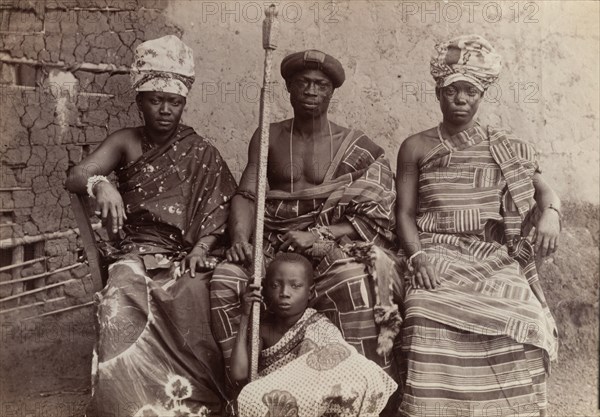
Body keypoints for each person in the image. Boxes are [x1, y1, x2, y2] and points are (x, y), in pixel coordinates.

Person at [210, 50, 402, 394]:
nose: (311, 91)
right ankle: (241, 392)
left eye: (320, 85)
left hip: (330, 246)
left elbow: (379, 206)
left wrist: (319, 234)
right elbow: (247, 194)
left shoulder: (356, 145)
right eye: (303, 83)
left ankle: (364, 394)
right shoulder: (269, 135)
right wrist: (241, 239)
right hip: (275, 243)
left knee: (353, 281)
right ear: (288, 88)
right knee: (226, 279)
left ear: (332, 91)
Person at [65, 35, 237, 416]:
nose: (164, 110)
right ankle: (126, 402)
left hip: (186, 252)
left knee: (197, 291)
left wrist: (202, 247)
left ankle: (193, 403)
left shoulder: (201, 151)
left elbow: (222, 205)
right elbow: (77, 175)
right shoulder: (126, 141)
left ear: (184, 104)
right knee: (119, 296)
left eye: (173, 102)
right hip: (136, 250)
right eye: (155, 100)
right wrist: (102, 182)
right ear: (140, 101)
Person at [395, 34, 560, 416]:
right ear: (439, 93)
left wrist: (551, 213)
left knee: (525, 318)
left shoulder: (505, 146)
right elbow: (403, 214)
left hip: (490, 256)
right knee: (422, 309)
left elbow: (547, 193)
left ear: (482, 96)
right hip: (435, 251)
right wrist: (418, 257)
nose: (462, 99)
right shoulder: (415, 146)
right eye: (453, 90)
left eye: (471, 91)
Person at [231, 253, 397, 417]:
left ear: (310, 293)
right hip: (275, 401)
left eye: (295, 286)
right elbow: (239, 373)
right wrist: (245, 316)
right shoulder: (262, 327)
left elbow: (344, 365)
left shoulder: (319, 326)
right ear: (265, 289)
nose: (284, 293)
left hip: (312, 403)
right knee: (252, 398)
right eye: (275, 285)